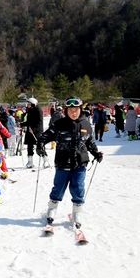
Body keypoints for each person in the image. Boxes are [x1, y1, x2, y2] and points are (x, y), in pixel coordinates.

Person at [35, 97, 103, 231]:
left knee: (78, 188)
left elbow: (89, 142)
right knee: (58, 188)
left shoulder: (86, 124)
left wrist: (96, 153)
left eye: (76, 110)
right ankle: (52, 209)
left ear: (80, 110)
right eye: (71, 110)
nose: (73, 112)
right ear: (66, 110)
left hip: (80, 163)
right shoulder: (59, 124)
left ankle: (77, 212)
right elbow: (45, 136)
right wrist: (40, 145)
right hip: (62, 163)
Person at [21, 97, 43, 168]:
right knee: (29, 146)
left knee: (39, 146)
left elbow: (39, 122)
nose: (28, 105)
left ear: (33, 104)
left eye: (29, 104)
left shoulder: (38, 110)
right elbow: (29, 121)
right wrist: (22, 124)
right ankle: (30, 162)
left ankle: (45, 159)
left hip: (36, 131)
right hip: (29, 130)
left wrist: (34, 129)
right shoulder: (29, 110)